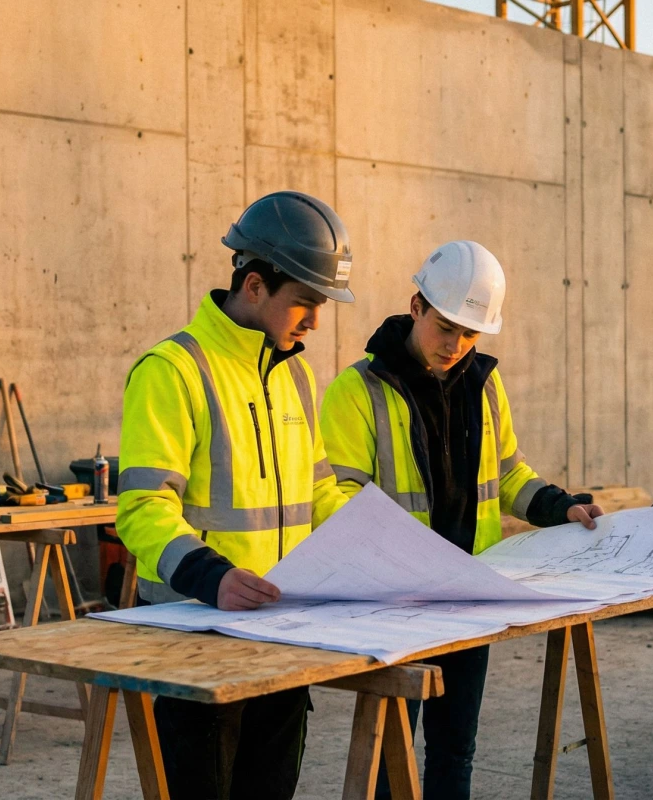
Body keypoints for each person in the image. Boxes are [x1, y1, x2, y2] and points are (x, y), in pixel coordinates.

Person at [319, 239, 603, 799]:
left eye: (470, 333)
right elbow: (336, 499)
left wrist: (558, 505)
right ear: (416, 306)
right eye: (445, 326)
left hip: (469, 599)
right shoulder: (357, 392)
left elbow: (509, 474)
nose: (455, 344)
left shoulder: (484, 384)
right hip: (395, 605)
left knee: (455, 750)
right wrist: (406, 560)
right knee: (388, 757)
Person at [116, 190, 354, 799]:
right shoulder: (171, 371)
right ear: (254, 286)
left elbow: (319, 493)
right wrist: (210, 576)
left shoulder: (295, 373)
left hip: (283, 635)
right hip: (193, 643)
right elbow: (143, 511)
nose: (315, 322)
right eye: (305, 303)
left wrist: (383, 544)